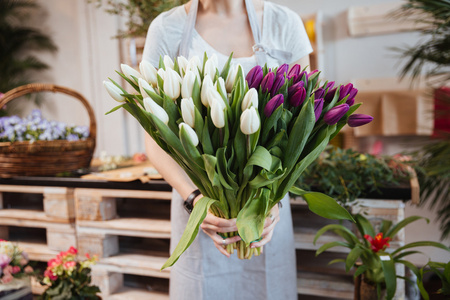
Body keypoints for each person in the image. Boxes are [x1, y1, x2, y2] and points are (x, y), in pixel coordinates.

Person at [142, 0, 312, 299]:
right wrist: (195, 200)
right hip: (200, 207)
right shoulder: (167, 29)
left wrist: (271, 200)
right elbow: (153, 136)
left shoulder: (284, 23)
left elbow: (304, 126)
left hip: (267, 209)